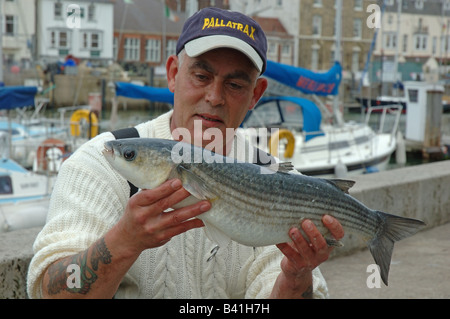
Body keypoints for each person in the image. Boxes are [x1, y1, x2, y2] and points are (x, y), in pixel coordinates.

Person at [27, 7, 344, 299]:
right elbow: (48, 290)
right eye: (201, 76)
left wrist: (296, 275)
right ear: (172, 73)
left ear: (255, 95)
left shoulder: (277, 180)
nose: (215, 96)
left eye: (234, 85)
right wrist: (124, 242)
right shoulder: (101, 162)